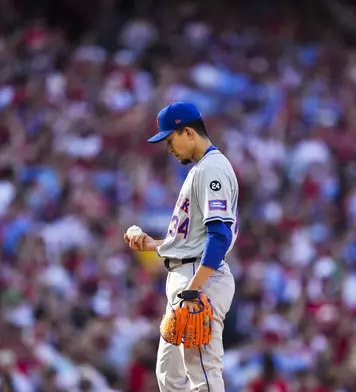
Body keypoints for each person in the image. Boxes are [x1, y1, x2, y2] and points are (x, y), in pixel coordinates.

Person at [124, 102, 239, 391]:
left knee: (202, 372)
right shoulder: (202, 169)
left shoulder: (212, 169)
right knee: (169, 374)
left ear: (188, 132)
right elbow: (194, 239)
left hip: (198, 279)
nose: (169, 147)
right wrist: (154, 244)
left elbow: (219, 235)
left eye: (170, 138)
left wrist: (194, 289)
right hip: (188, 274)